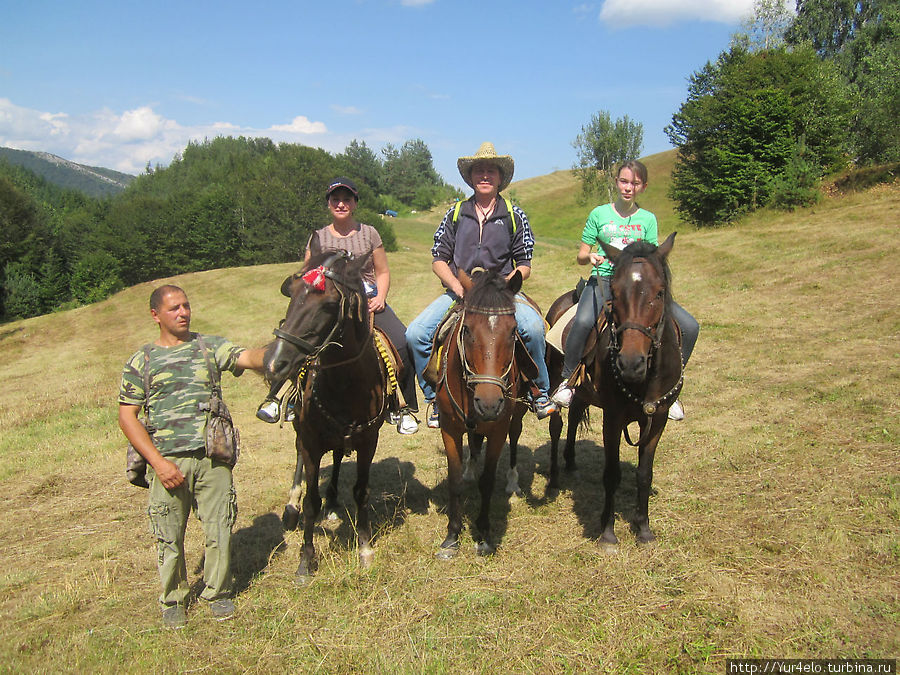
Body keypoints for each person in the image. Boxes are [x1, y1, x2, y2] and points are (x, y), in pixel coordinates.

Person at [118, 284, 266, 629]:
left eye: (186, 306)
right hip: (166, 461)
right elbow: (128, 417)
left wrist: (280, 350)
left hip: (212, 458)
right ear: (155, 315)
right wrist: (158, 463)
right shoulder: (143, 360)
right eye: (174, 308)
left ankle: (217, 592)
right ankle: (173, 598)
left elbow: (248, 358)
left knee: (220, 527)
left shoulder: (209, 347)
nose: (183, 312)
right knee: (169, 535)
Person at [406, 142, 557, 428]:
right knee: (416, 334)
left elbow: (524, 264)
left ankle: (540, 392)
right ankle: (435, 398)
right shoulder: (455, 213)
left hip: (501, 294)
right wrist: (458, 286)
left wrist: (506, 286)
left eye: (490, 171)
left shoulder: (514, 214)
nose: (485, 176)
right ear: (471, 177)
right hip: (460, 291)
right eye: (479, 171)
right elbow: (439, 259)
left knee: (534, 328)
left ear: (500, 178)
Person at [256, 177, 420, 434]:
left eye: (347, 199)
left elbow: (383, 271)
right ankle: (279, 397)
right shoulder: (318, 237)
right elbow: (307, 273)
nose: (341, 204)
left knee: (402, 341)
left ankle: (404, 407)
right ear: (329, 204)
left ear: (354, 203)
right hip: (327, 303)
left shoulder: (370, 233)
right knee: (297, 338)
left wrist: (381, 297)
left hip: (365, 299)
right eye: (336, 199)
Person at [549, 160, 699, 420]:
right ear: (616, 182)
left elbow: (652, 259)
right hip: (605, 281)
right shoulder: (599, 214)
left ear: (643, 187)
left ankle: (671, 388)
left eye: (635, 183)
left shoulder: (647, 219)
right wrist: (592, 256)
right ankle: (568, 381)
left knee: (689, 326)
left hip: (639, 288)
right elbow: (581, 255)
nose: (628, 187)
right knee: (583, 321)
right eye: (624, 181)